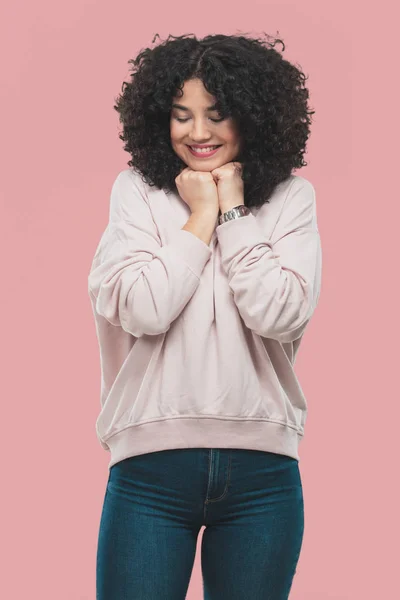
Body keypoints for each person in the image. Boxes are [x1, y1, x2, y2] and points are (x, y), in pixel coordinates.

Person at [88, 32, 322, 600]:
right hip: (149, 473)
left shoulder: (291, 198)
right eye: (181, 116)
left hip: (263, 477)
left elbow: (281, 313)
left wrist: (235, 211)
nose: (197, 133)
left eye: (217, 115)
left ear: (253, 118)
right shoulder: (138, 193)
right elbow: (143, 308)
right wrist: (201, 216)